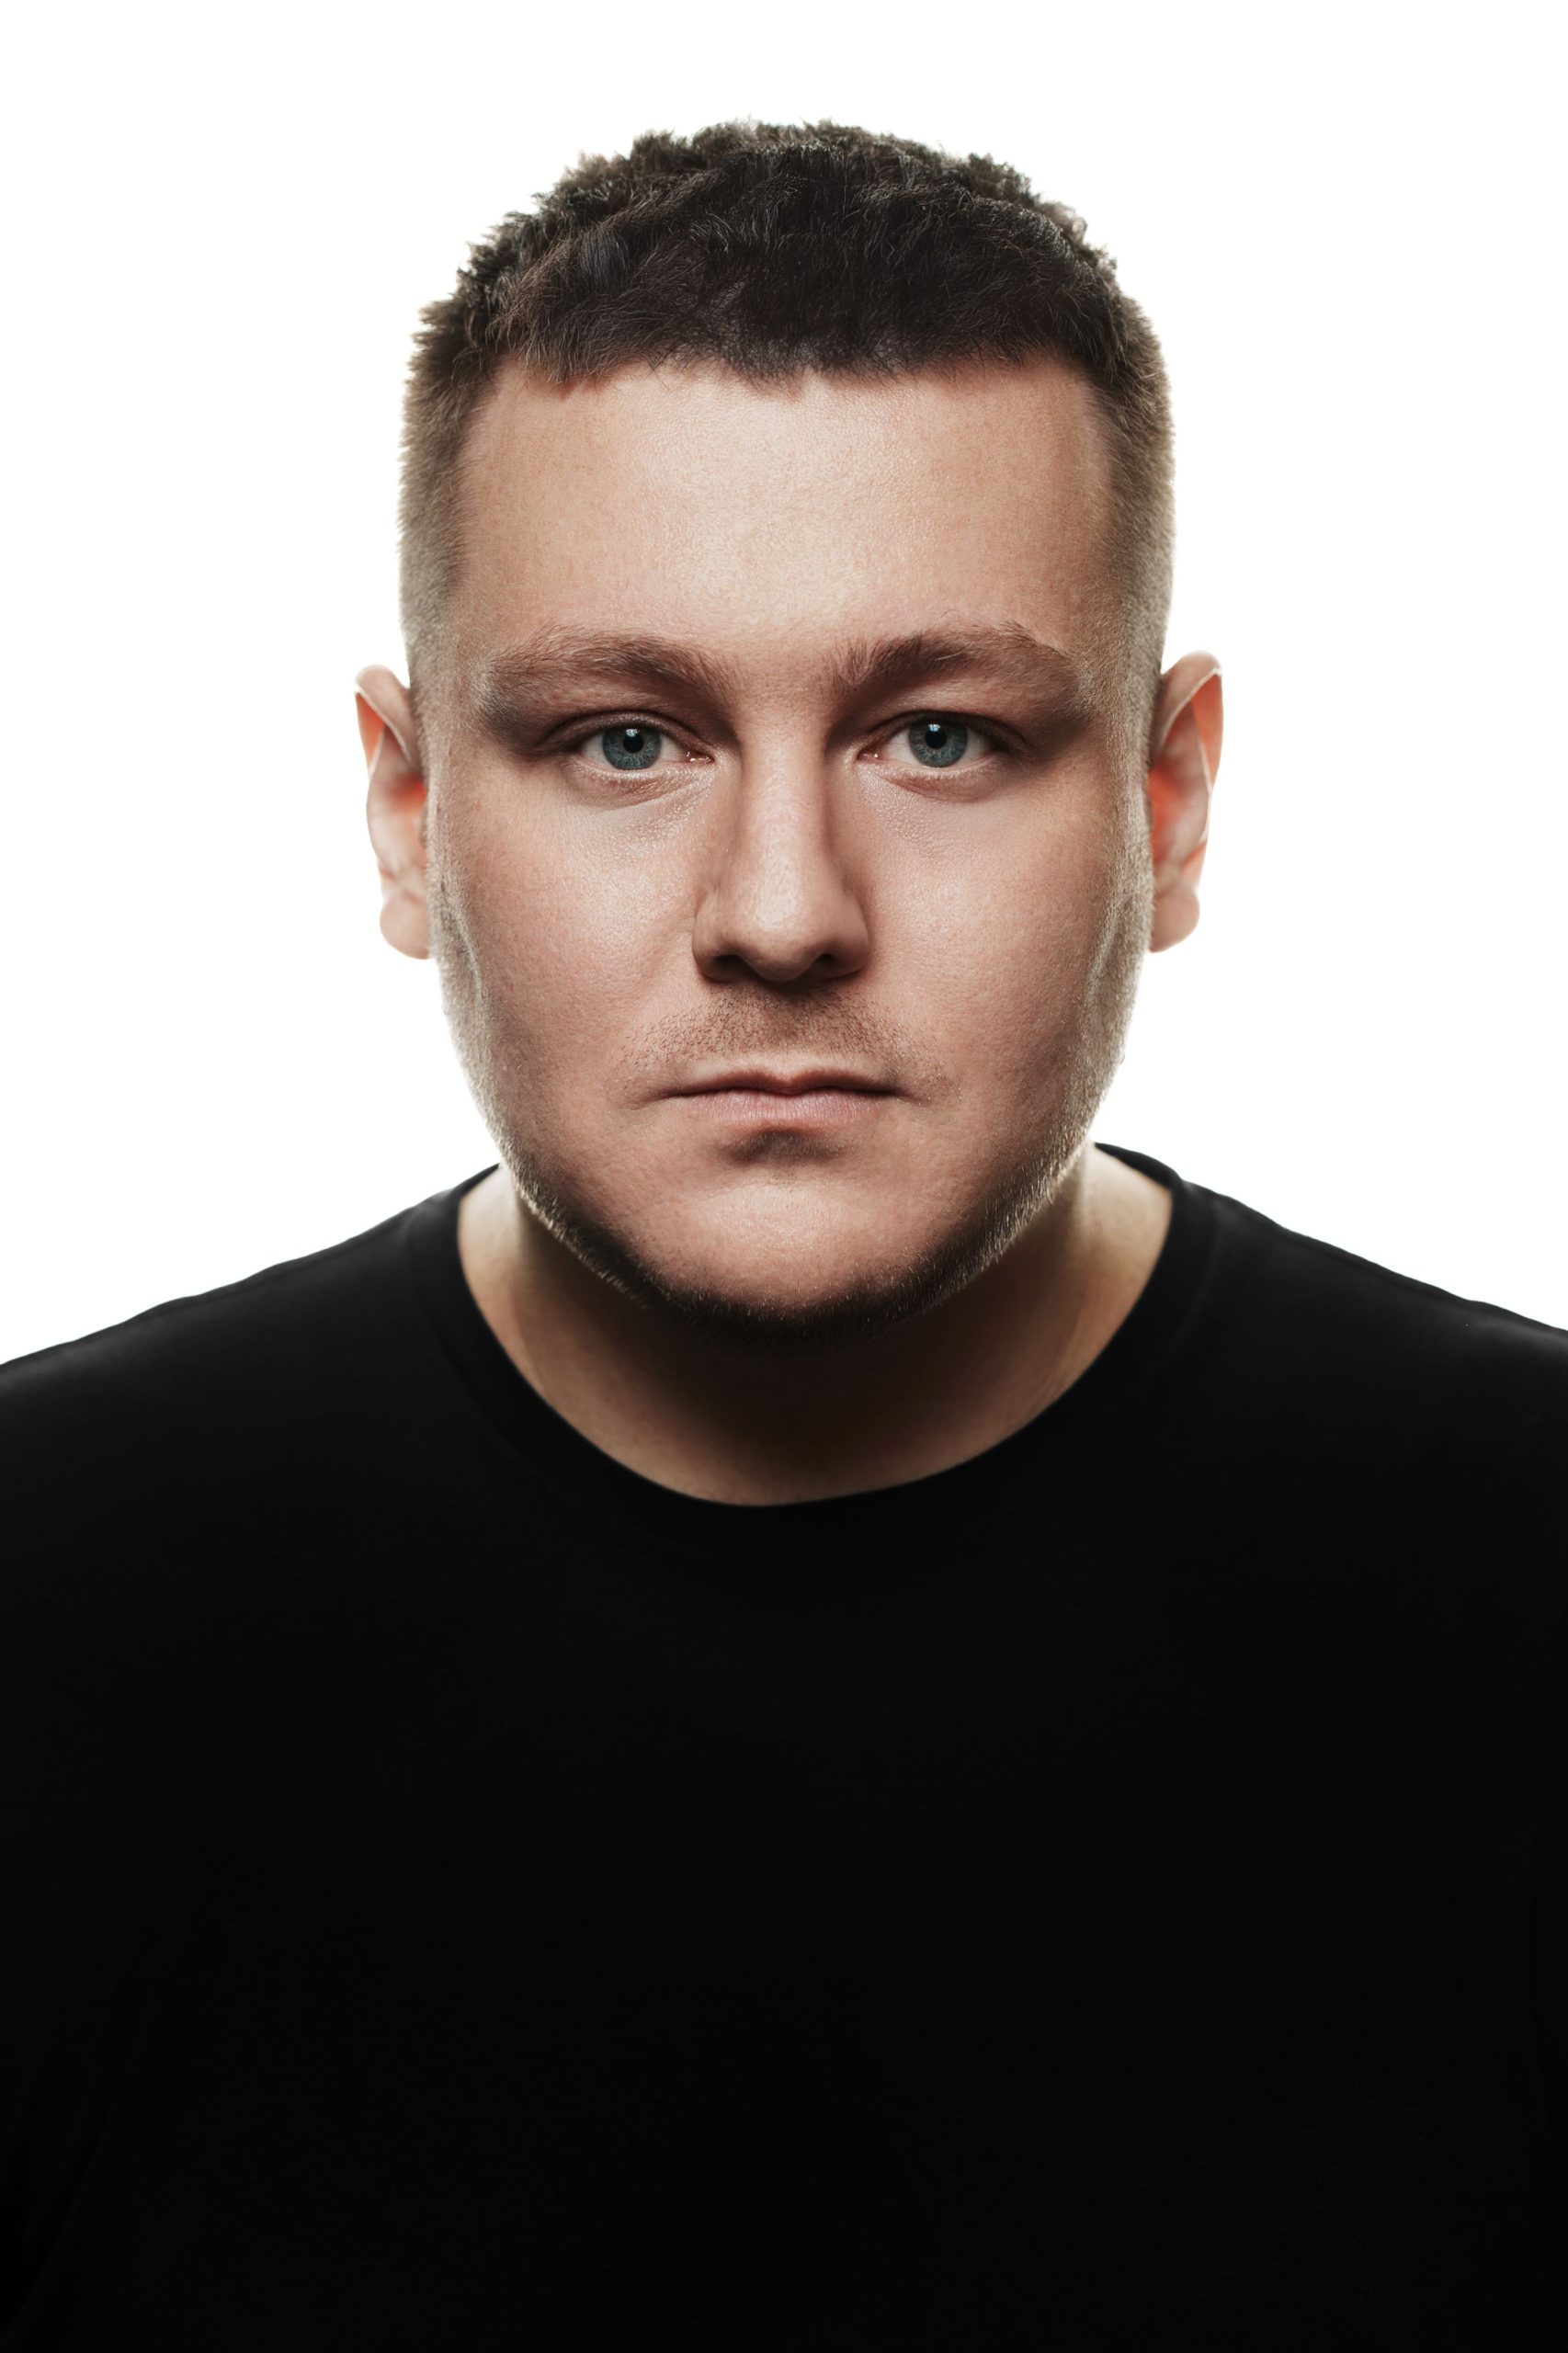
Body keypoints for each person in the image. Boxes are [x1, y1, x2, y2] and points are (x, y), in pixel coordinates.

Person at [2, 118, 1563, 2348]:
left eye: (938, 735)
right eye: (625, 741)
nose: (780, 913)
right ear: (409, 811)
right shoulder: (45, 1595)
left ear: (1168, 800)